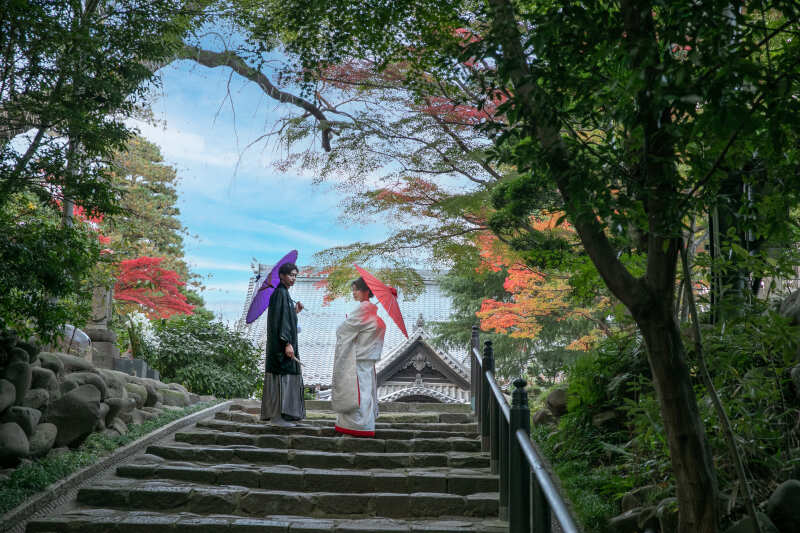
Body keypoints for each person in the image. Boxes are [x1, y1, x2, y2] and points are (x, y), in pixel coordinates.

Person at [331, 277, 386, 437]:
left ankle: (355, 426)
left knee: (357, 392)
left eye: (356, 289)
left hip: (358, 358)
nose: (354, 293)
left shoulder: (363, 310)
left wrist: (349, 322)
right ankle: (366, 425)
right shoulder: (373, 314)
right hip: (368, 359)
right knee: (365, 391)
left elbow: (342, 330)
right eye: (353, 289)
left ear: (366, 291)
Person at [261, 262, 306, 426]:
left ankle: (282, 415)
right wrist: (287, 343)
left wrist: (295, 312)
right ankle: (277, 416)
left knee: (285, 378)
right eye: (290, 275)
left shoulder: (284, 294)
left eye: (295, 275)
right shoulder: (280, 294)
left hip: (284, 345)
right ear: (281, 276)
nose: (293, 278)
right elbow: (280, 323)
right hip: (281, 347)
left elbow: (287, 319)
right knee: (281, 378)